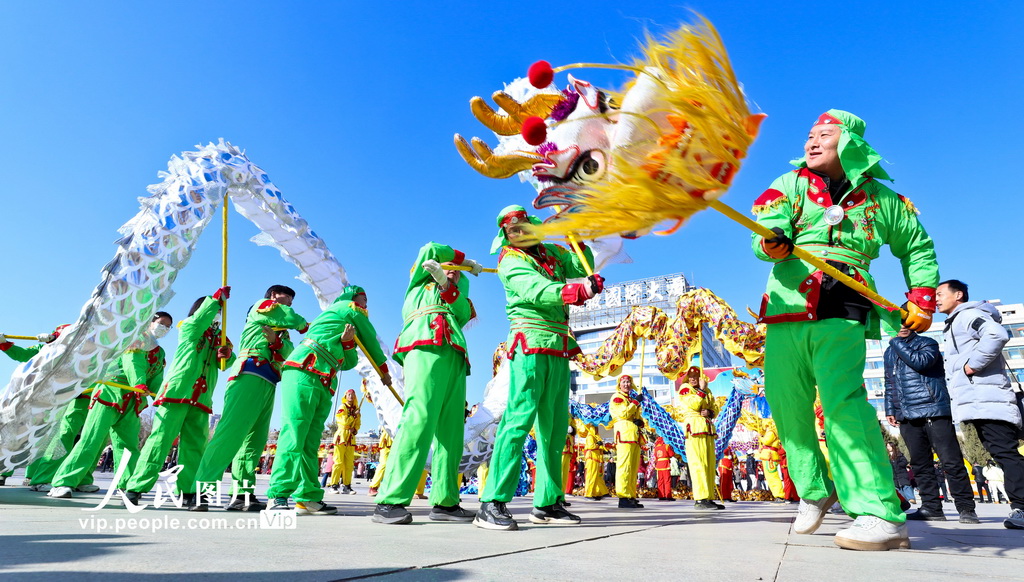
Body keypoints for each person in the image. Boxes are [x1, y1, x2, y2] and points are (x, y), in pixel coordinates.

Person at [751, 110, 939, 550]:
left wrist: (922, 298)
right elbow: (765, 226)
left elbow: (917, 246)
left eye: (824, 136)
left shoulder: (884, 199)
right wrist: (771, 240)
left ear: (850, 145)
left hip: (845, 306)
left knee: (842, 404)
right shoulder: (789, 182)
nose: (812, 142)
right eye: (810, 136)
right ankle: (814, 489)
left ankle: (878, 511)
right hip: (787, 305)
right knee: (785, 405)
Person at [474, 205, 601, 531]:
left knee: (556, 428)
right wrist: (578, 290)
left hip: (558, 347)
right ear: (505, 234)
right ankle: (491, 501)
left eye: (523, 226)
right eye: (511, 229)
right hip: (528, 344)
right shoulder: (510, 260)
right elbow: (537, 291)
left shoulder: (551, 253)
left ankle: (547, 502)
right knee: (518, 421)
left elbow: (576, 265)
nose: (518, 232)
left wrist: (577, 239)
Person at [373, 243, 482, 525]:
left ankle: (445, 502)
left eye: (457, 272)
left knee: (451, 430)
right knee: (419, 418)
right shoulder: (418, 288)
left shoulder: (457, 295)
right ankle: (390, 499)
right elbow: (430, 248)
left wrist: (451, 282)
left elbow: (460, 311)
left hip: (455, 354)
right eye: (449, 268)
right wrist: (462, 259)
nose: (453, 272)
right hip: (424, 347)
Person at [268, 285, 389, 516]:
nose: (365, 305)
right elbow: (372, 340)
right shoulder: (347, 308)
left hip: (324, 380)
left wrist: (345, 343)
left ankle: (308, 497)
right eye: (363, 299)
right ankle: (278, 495)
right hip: (305, 370)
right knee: (294, 433)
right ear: (353, 298)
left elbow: (349, 361)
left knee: (310, 442)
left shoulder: (347, 328)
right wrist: (383, 369)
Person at [191, 285, 308, 511]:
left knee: (253, 443)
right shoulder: (262, 308)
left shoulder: (281, 330)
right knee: (229, 435)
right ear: (273, 296)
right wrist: (306, 326)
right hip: (249, 373)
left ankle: (242, 495)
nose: (289, 305)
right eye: (286, 300)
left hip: (269, 381)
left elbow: (290, 354)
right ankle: (201, 491)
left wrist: (277, 341)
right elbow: (288, 317)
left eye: (291, 303)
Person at [124, 289, 235, 507]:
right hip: (177, 393)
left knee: (195, 447)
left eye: (220, 312)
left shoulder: (221, 338)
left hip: (202, 398)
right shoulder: (189, 327)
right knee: (160, 442)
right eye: (215, 310)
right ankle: (136, 487)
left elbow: (226, 364)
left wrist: (226, 356)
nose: (217, 315)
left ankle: (189, 491)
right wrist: (213, 301)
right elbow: (199, 320)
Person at [49, 313, 173, 499]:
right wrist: (138, 382)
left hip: (132, 400)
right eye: (161, 323)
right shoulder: (136, 338)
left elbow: (157, 376)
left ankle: (126, 485)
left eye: (168, 326)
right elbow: (133, 362)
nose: (163, 328)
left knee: (129, 446)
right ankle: (63, 482)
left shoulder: (160, 352)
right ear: (150, 322)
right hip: (111, 393)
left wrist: (157, 395)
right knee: (91, 439)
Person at [935, 279, 1024, 530]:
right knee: (1001, 452)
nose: (936, 299)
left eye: (941, 294)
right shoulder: (956, 321)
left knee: (1005, 452)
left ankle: (1022, 507)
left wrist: (971, 365)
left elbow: (996, 334)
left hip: (989, 399)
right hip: (980, 400)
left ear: (959, 295)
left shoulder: (969, 315)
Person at [883, 322, 978, 523]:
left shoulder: (927, 343)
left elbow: (921, 363)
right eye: (896, 323)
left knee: (951, 461)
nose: (901, 326)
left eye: (906, 322)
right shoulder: (889, 353)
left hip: (933, 409)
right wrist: (891, 409)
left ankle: (966, 508)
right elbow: (890, 382)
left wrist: (897, 343)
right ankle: (931, 508)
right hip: (906, 414)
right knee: (919, 463)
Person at [0, 325, 95, 492]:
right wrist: (5, 344)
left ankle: (75, 478)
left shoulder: (88, 351)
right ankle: (11, 473)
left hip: (78, 397)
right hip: (44, 398)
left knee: (70, 438)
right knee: (25, 433)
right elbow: (23, 355)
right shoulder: (45, 348)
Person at [671, 367, 722, 510]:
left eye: (696, 376)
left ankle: (709, 497)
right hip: (694, 429)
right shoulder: (685, 388)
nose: (693, 378)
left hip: (707, 429)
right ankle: (700, 498)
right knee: (698, 464)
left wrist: (710, 412)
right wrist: (701, 390)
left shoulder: (707, 389)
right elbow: (693, 404)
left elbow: (715, 407)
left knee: (709, 465)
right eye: (691, 376)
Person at [610, 375, 644, 509]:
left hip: (633, 434)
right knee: (624, 466)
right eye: (624, 382)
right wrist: (635, 403)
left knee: (632, 467)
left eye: (629, 381)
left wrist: (640, 421)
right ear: (619, 384)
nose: (627, 384)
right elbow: (623, 413)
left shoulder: (629, 399)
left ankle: (630, 495)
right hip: (624, 433)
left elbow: (635, 415)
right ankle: (623, 496)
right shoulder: (617, 397)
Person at [330, 390, 361, 494]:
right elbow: (343, 422)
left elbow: (358, 424)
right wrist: (353, 416)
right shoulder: (342, 407)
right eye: (349, 395)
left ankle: (347, 486)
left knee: (349, 464)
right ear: (345, 396)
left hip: (350, 439)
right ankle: (334, 485)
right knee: (338, 462)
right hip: (341, 437)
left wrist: (355, 430)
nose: (351, 396)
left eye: (353, 395)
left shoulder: (356, 409)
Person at [578, 422, 608, 500]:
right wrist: (598, 445)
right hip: (591, 458)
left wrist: (603, 450)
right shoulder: (590, 436)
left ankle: (594, 493)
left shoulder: (595, 436)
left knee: (595, 477)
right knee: (591, 477)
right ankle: (588, 494)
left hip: (596, 458)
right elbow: (591, 446)